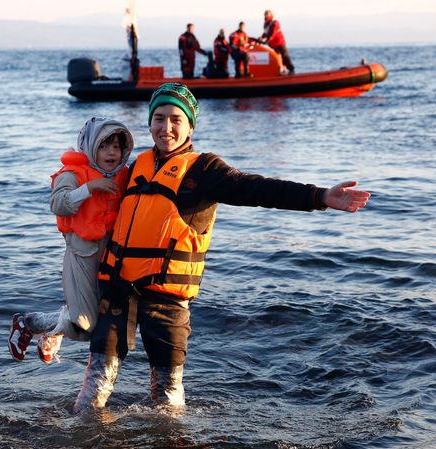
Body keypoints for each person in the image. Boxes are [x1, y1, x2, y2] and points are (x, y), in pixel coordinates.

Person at [73, 83, 370, 412]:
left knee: (166, 397)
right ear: (149, 123)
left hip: (167, 298)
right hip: (118, 291)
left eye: (175, 119)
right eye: (158, 118)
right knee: (94, 387)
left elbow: (258, 189)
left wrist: (319, 197)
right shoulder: (133, 168)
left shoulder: (205, 170)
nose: (166, 127)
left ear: (190, 126)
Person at [8, 117, 134, 364]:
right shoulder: (72, 174)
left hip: (111, 257)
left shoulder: (123, 174)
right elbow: (58, 204)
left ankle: (50, 332)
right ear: (90, 146)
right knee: (84, 323)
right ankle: (29, 324)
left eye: (116, 147)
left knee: (106, 323)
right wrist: (91, 187)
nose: (111, 153)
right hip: (81, 254)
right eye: (103, 146)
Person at [258, 9, 295, 75]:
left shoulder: (275, 23)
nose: (265, 16)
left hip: (280, 42)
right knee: (278, 57)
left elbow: (273, 33)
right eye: (265, 14)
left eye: (267, 14)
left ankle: (291, 69)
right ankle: (283, 70)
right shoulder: (265, 24)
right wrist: (261, 38)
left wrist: (267, 40)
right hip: (273, 45)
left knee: (285, 55)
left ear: (271, 15)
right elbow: (266, 33)